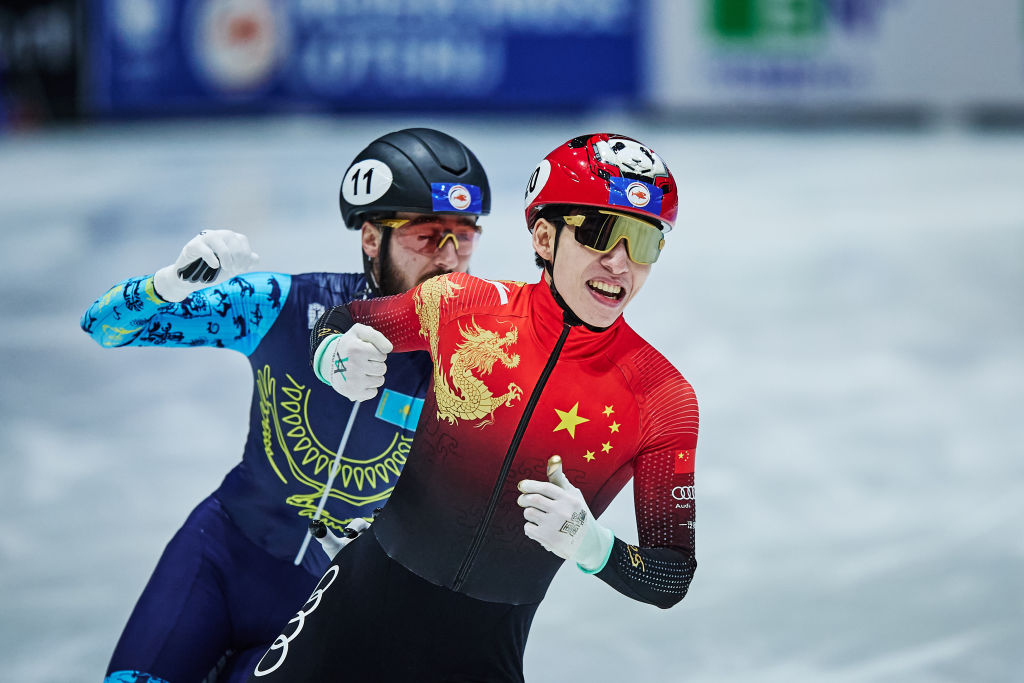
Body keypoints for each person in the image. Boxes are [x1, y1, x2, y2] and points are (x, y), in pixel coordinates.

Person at [250, 133, 699, 682]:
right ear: (544, 236)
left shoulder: (661, 398)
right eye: (602, 232)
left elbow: (671, 576)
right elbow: (341, 320)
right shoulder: (463, 304)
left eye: (645, 241)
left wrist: (593, 545)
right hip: (355, 609)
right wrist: (331, 354)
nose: (620, 264)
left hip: (482, 655)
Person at [80, 128, 491, 683]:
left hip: (326, 600)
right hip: (221, 557)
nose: (449, 259)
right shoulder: (281, 305)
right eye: (426, 236)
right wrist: (170, 284)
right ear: (372, 238)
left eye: (462, 237)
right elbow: (104, 326)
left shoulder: (476, 363)